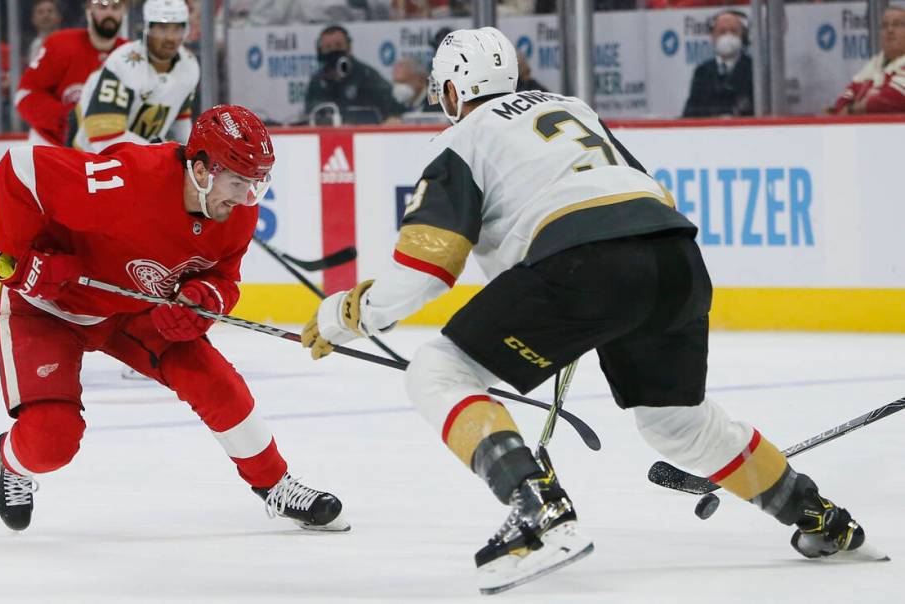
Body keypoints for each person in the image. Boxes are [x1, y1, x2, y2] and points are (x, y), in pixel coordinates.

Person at [302, 26, 873, 593]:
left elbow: (426, 272)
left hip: (582, 266)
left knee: (437, 371)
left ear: (452, 90)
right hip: (674, 257)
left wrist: (344, 317)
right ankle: (818, 516)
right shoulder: (573, 109)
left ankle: (537, 509)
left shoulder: (463, 139)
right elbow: (636, 191)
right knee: (677, 422)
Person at [0, 104, 349, 534]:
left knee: (214, 380)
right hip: (51, 308)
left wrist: (203, 300)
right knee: (51, 441)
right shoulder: (127, 181)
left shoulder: (236, 212)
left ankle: (275, 485)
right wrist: (20, 258)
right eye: (238, 184)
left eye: (256, 186)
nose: (245, 199)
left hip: (135, 308)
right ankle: (10, 461)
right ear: (200, 170)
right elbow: (20, 169)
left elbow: (224, 279)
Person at [73, 0, 198, 151]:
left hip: (143, 160)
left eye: (177, 29)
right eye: (163, 28)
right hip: (91, 158)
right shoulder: (123, 64)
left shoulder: (189, 66)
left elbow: (179, 120)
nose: (170, 38)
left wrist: (186, 156)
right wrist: (155, 153)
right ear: (148, 28)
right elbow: (103, 134)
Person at [15, 0, 128, 147]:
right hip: (51, 146)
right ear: (89, 9)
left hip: (103, 151)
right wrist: (66, 118)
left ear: (123, 12)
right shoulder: (60, 44)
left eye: (116, 7)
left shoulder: (130, 56)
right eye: (102, 6)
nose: (109, 13)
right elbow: (25, 94)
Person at [304, 24, 405, 125]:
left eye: (338, 46)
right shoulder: (317, 81)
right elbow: (310, 113)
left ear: (349, 47)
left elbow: (394, 109)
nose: (333, 51)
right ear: (320, 50)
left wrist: (392, 119)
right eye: (328, 47)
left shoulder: (367, 76)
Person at [828, 6, 905, 115]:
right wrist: (858, 105)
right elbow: (844, 99)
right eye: (885, 25)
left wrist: (851, 110)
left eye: (897, 24)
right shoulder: (876, 62)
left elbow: (891, 99)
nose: (890, 30)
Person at [682, 10, 753, 118]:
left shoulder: (755, 70)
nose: (728, 36)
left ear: (742, 36)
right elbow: (690, 113)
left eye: (734, 31)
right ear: (713, 36)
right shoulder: (702, 72)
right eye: (722, 31)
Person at [27, 0, 62, 64]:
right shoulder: (35, 46)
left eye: (50, 11)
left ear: (59, 17)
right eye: (40, 12)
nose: (46, 15)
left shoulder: (68, 42)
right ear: (33, 19)